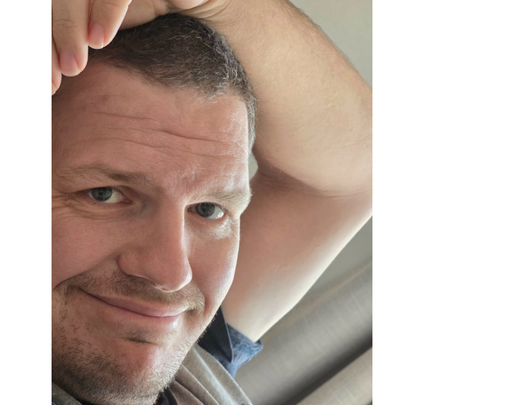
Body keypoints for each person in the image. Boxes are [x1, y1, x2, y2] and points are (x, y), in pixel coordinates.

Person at [51, 1, 372, 404]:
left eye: (208, 210)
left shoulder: (191, 363)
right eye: (104, 195)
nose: (172, 274)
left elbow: (356, 174)